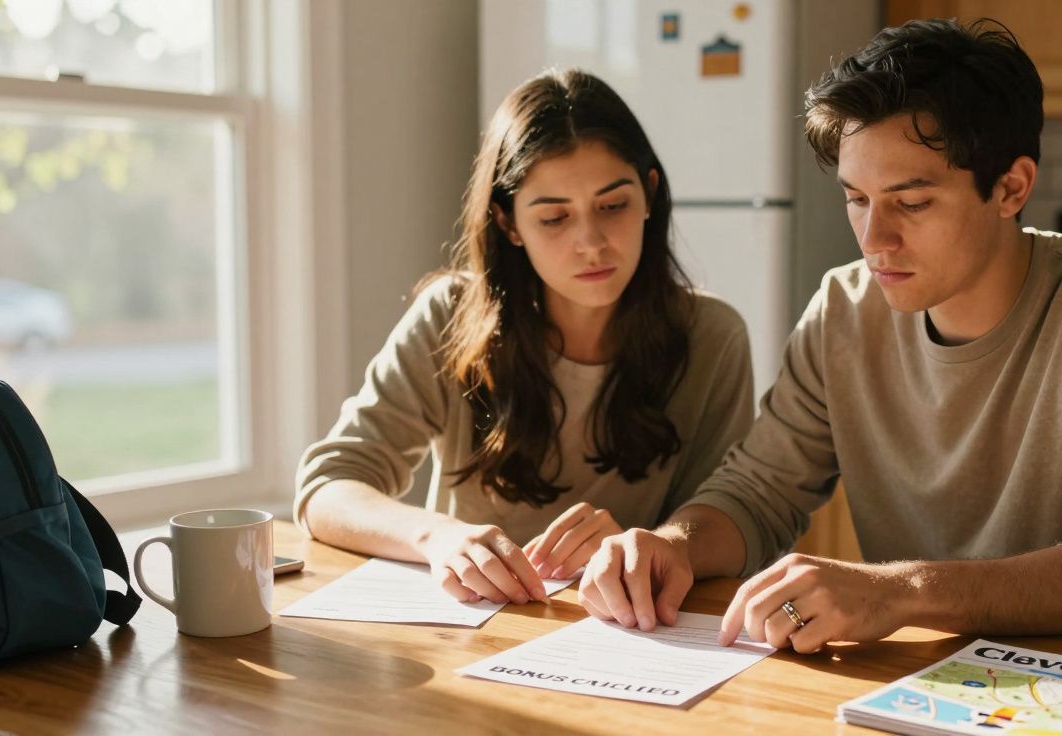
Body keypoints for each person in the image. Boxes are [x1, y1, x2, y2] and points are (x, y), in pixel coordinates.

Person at [576, 19, 1062, 650]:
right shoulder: (844, 310)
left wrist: (900, 591)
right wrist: (671, 545)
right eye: (857, 199)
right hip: (918, 684)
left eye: (911, 203)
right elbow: (757, 492)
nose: (874, 239)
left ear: (1011, 188)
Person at [295, 69, 754, 606]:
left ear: (649, 195)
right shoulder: (448, 316)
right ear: (508, 223)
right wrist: (437, 536)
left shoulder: (712, 337)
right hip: (474, 628)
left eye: (613, 206)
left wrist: (659, 545)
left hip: (631, 628)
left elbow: (728, 517)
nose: (591, 242)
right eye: (554, 218)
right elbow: (327, 487)